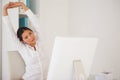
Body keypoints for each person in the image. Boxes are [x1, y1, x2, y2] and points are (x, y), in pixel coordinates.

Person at [3, 2, 48, 80]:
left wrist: (22, 5)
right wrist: (4, 9)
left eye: (30, 33)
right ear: (23, 41)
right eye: (26, 37)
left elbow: (35, 21)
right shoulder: (22, 48)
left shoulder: (40, 41)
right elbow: (9, 29)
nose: (30, 37)